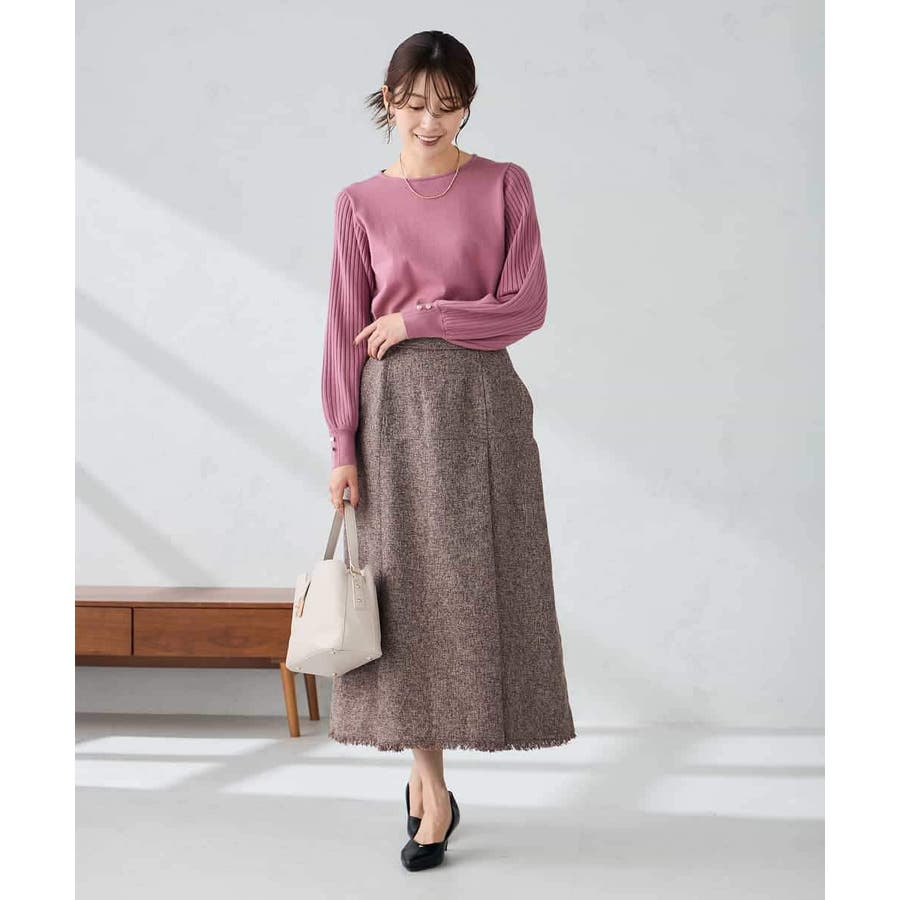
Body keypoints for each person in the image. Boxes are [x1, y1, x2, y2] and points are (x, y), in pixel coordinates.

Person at [320, 30, 576, 872]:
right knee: (404, 595)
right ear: (388, 99)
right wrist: (341, 443)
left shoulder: (505, 184)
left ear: (468, 105)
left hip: (483, 404)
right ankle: (429, 788)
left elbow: (525, 305)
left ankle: (442, 772)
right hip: (391, 412)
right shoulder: (359, 202)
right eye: (414, 103)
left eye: (449, 105)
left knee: (479, 589)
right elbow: (343, 328)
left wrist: (421, 318)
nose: (430, 121)